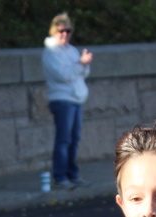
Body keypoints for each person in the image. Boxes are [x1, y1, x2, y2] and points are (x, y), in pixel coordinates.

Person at [42, 13, 92, 189]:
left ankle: (72, 174)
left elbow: (82, 73)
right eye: (61, 31)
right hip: (62, 99)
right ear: (54, 31)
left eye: (68, 31)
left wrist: (84, 64)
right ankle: (60, 176)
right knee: (63, 139)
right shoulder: (50, 51)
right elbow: (62, 75)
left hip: (76, 98)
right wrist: (80, 64)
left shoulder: (72, 50)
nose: (65, 34)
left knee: (74, 138)